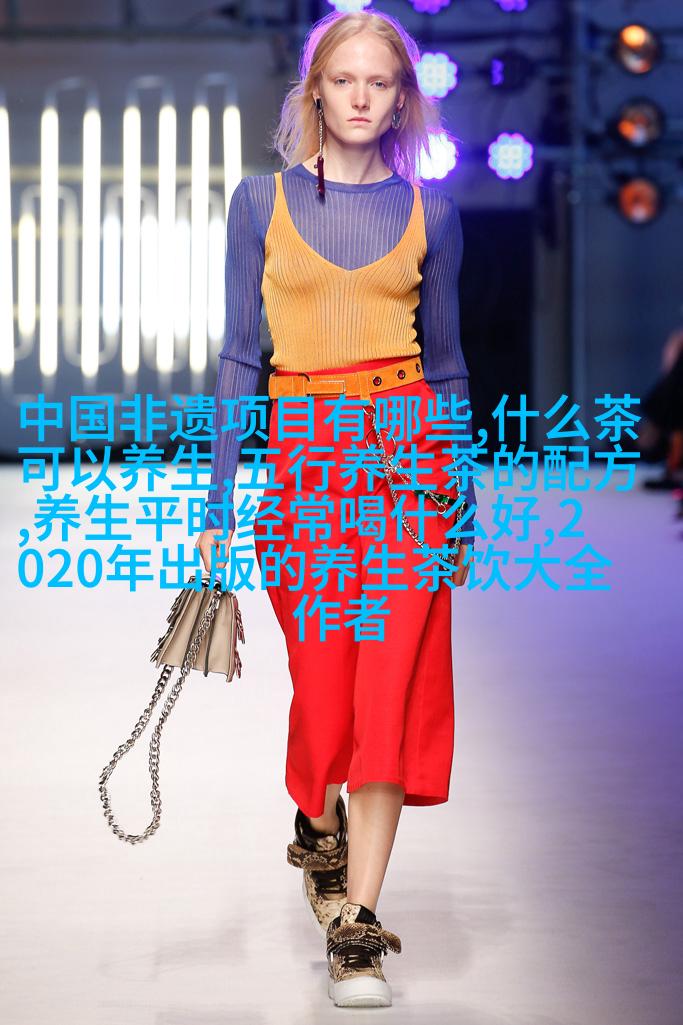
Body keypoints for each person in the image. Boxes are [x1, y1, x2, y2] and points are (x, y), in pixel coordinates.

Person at [195, 8, 479, 1008]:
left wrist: (460, 488)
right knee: (322, 695)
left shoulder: (432, 213)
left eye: (380, 82)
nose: (361, 96)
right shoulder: (258, 203)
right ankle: (317, 823)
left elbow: (446, 363)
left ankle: (358, 924)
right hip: (304, 468)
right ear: (314, 90)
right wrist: (217, 503)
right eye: (344, 78)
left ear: (401, 100)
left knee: (387, 694)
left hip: (406, 467)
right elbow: (240, 356)